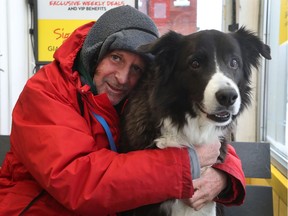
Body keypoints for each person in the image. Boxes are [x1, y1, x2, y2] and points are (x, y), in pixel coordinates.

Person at [0, 5, 245, 216]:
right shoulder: (45, 93)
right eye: (116, 58)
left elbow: (205, 138)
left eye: (137, 68)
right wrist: (188, 163)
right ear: (95, 53)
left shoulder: (134, 96)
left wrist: (223, 175)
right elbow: (78, 181)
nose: (123, 78)